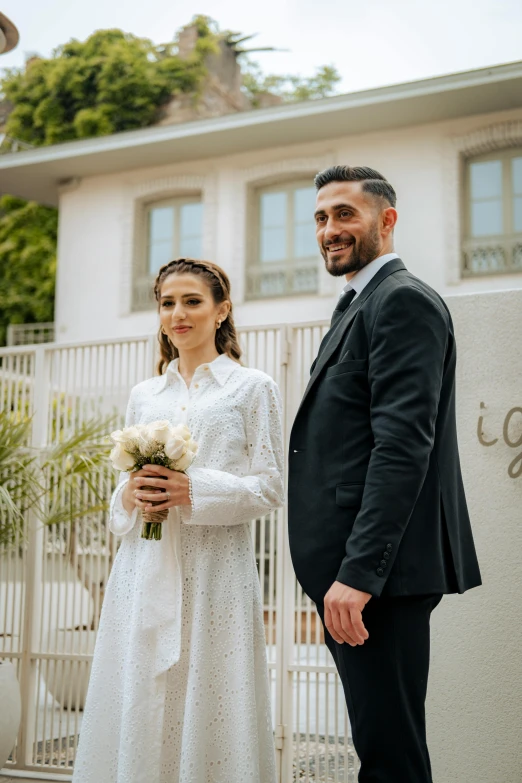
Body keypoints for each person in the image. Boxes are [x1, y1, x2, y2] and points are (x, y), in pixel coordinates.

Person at [288, 166, 482, 783]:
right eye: (321, 217)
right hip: (362, 577)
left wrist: (358, 574)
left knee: (391, 755)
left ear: (386, 220)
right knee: (384, 748)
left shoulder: (400, 300)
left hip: (378, 580)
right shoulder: (357, 304)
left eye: (345, 213)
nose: (330, 229)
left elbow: (402, 447)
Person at [73, 259, 283, 783]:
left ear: (222, 310)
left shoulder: (253, 387)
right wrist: (133, 495)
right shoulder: (146, 395)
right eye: (168, 303)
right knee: (142, 697)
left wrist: (195, 491)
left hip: (216, 574)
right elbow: (118, 494)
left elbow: (271, 486)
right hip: (142, 572)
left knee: (211, 692)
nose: (178, 313)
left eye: (192, 301)